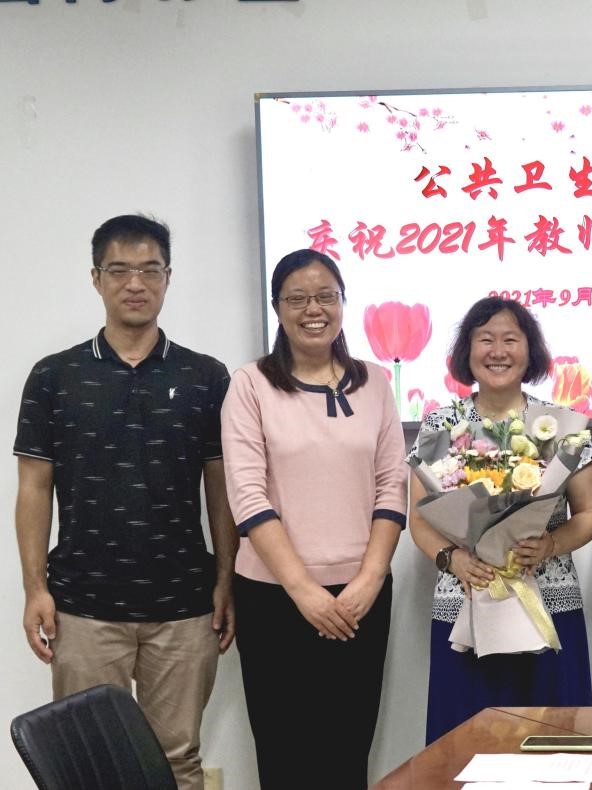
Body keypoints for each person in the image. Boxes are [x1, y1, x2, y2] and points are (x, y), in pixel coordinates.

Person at [14, 215, 236, 790]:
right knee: (91, 767)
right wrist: (35, 588)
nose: (135, 283)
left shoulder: (205, 377)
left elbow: (221, 489)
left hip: (184, 605)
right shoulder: (54, 376)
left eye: (149, 270)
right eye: (119, 270)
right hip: (83, 606)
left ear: (168, 277)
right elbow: (33, 487)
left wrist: (225, 579)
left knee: (178, 760)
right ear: (96, 278)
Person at [221, 249, 407, 788]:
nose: (313, 310)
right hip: (274, 598)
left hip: (360, 598)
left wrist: (369, 578)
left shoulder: (375, 383)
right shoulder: (250, 384)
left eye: (326, 296)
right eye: (298, 298)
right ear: (277, 307)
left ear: (343, 302)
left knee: (348, 750)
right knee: (286, 754)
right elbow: (248, 495)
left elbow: (391, 484)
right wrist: (304, 592)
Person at [407, 296, 592, 744]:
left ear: (530, 351)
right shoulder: (441, 424)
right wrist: (452, 559)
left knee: (555, 741)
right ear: (467, 350)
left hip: (548, 602)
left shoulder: (560, 424)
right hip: (466, 600)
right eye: (485, 339)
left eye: (511, 339)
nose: (498, 351)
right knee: (464, 744)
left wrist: (550, 545)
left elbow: (591, 514)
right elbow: (419, 519)